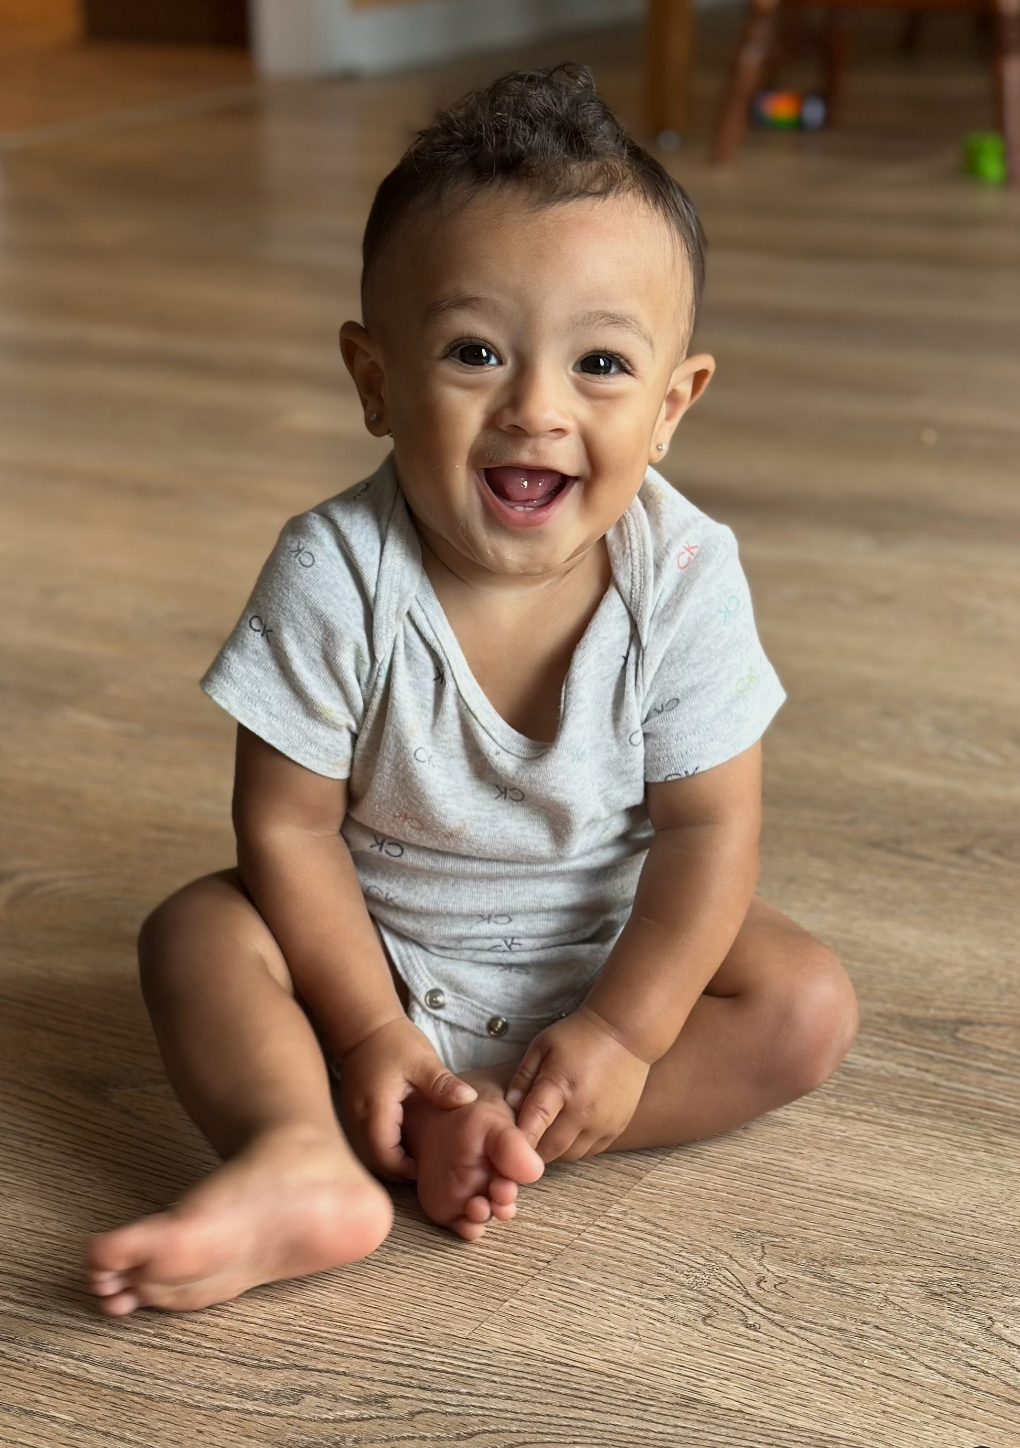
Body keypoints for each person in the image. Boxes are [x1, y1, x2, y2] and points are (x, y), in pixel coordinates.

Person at [86, 62, 858, 1316]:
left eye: (600, 362)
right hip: (375, 954)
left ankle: (522, 1125)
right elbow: (286, 827)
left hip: (600, 948)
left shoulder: (686, 573)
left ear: (673, 405)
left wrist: (623, 1032)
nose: (535, 407)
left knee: (806, 1007)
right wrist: (370, 1033)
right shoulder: (334, 569)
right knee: (196, 933)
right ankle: (300, 1146)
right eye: (474, 350)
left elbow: (710, 827)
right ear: (375, 378)